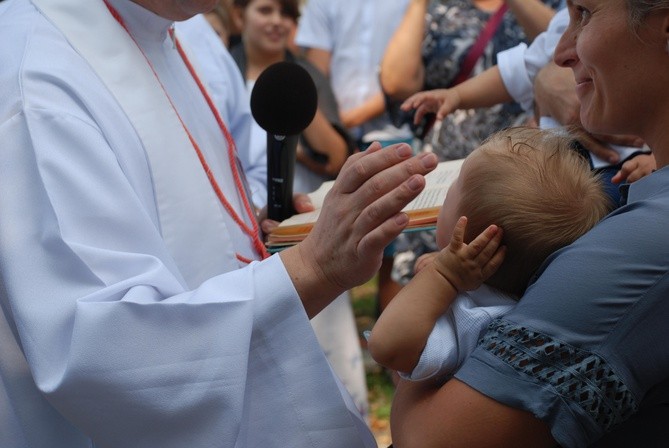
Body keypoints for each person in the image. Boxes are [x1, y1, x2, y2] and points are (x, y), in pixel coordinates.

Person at [0, 0, 440, 447]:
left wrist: (249, 216)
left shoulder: (181, 33)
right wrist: (313, 269)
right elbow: (101, 352)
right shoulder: (38, 80)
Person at [388, 1, 669, 446]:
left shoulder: (645, 243)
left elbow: (429, 439)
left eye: (585, 13)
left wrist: (424, 352)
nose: (560, 53)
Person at [367, 126, 610, 383]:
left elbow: (386, 349)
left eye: (456, 185)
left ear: (476, 242)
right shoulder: (524, 302)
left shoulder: (475, 318)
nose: (448, 186)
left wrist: (442, 277)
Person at [229, 0, 368, 417]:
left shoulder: (306, 76)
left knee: (320, 333)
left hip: (303, 217)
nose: (276, 22)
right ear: (240, 16)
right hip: (240, 221)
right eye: (266, 10)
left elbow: (337, 153)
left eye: (287, 15)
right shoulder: (218, 71)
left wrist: (294, 102)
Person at [401, 6, 655, 206]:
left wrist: (655, 159)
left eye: (585, 12)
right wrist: (456, 96)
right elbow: (517, 71)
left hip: (619, 171)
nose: (563, 52)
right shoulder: (562, 24)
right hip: (552, 164)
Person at [295, 0, 414, 315]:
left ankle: (388, 341)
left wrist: (340, 127)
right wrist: (329, 129)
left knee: (399, 248)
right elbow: (316, 71)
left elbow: (404, 76)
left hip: (392, 130)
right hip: (338, 130)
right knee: (332, 237)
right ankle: (342, 327)